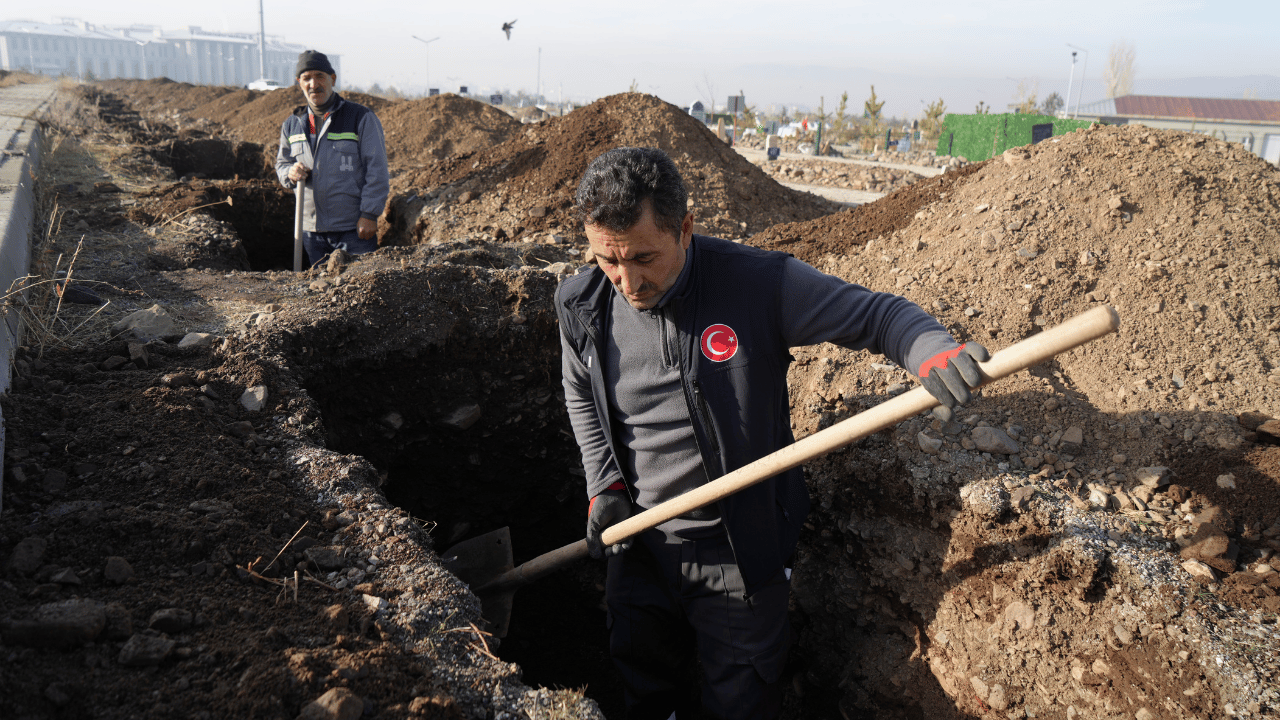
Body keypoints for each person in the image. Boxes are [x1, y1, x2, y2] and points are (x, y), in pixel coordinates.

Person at [555, 147, 987, 720]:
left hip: (738, 552)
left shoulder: (757, 286)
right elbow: (580, 394)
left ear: (685, 227)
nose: (627, 281)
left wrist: (933, 352)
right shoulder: (583, 306)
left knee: (741, 703)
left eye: (643, 257)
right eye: (609, 260)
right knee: (647, 694)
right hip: (638, 549)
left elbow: (878, 316)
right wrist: (603, 487)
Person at [275, 50, 389, 268]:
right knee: (316, 294)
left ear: (332, 79)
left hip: (353, 231)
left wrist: (369, 214)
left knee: (359, 290)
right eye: (306, 78)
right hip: (310, 232)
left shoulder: (360, 117)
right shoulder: (292, 124)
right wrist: (289, 172)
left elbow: (377, 169)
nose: (313, 84)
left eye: (320, 76)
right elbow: (282, 163)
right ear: (299, 82)